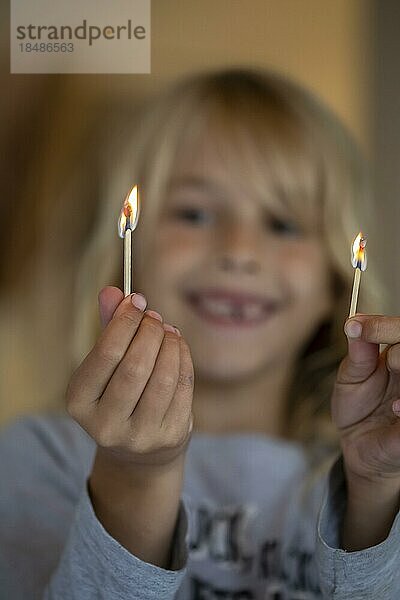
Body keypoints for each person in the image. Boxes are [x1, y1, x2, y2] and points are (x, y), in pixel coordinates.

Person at [1, 67, 400, 600]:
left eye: (283, 224)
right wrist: (134, 478)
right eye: (193, 213)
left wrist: (374, 496)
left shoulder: (384, 475)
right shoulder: (41, 460)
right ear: (127, 256)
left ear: (334, 281)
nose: (238, 251)